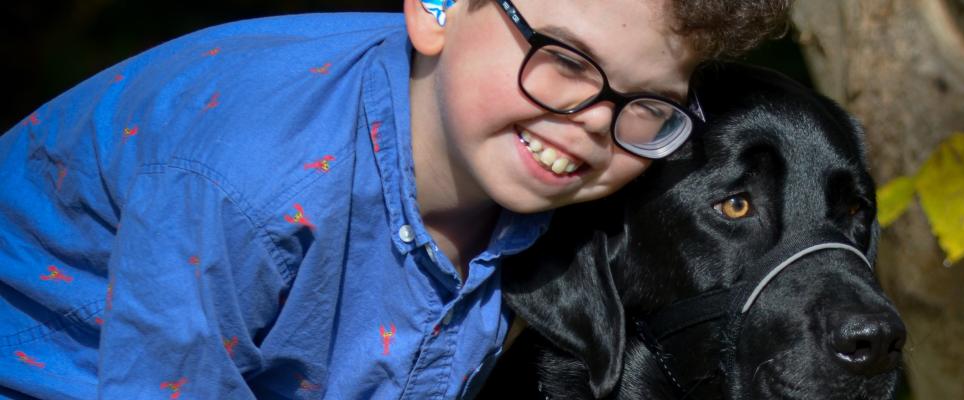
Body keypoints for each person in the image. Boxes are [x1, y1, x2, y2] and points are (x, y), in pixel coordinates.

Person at [0, 0, 788, 398]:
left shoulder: (545, 168)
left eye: (645, 102)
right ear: (438, 7)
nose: (587, 122)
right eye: (565, 58)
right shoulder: (250, 184)